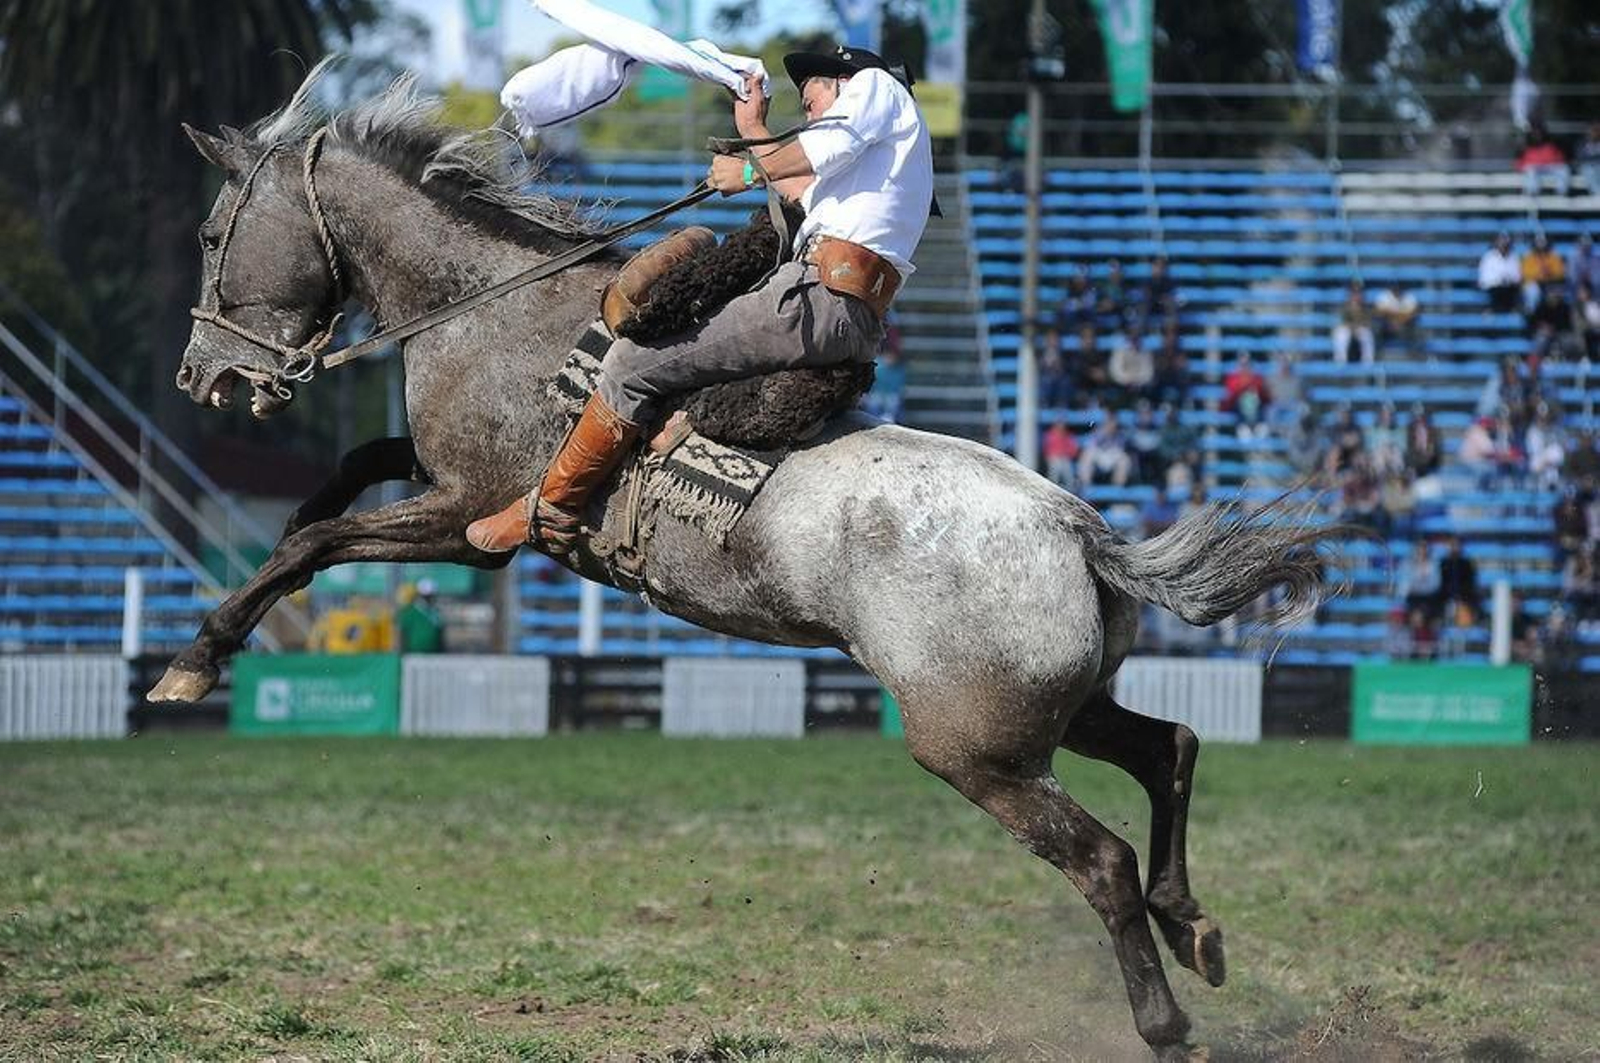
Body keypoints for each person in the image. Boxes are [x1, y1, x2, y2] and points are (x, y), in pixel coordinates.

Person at [467, 46, 934, 553]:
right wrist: (752, 128)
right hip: (841, 305)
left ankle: (551, 510)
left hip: (815, 297)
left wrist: (752, 172)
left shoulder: (876, 87)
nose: (808, 112)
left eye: (810, 98)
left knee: (632, 361)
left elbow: (815, 152)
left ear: (844, 79)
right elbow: (802, 187)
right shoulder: (873, 169)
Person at [1435, 535, 1481, 625]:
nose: (1454, 547)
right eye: (1452, 545)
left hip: (1464, 597)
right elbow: (1441, 583)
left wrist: (1460, 597)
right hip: (1446, 597)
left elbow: (1470, 583)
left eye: (1456, 545)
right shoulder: (1443, 563)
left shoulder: (1466, 563)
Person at [1077, 412, 1133, 487]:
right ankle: (1086, 485)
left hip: (1112, 456)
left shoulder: (1120, 434)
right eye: (1109, 422)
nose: (1111, 425)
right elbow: (1088, 445)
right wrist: (1103, 435)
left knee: (1124, 459)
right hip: (1099, 456)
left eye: (1113, 422)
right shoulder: (1098, 432)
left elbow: (1121, 448)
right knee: (1087, 454)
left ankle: (1118, 487)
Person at [1221, 355, 1270, 437]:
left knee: (1252, 398)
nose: (1245, 367)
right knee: (1245, 400)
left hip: (1255, 406)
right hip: (1237, 407)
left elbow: (1263, 395)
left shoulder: (1256, 378)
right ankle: (1243, 426)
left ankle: (1258, 425)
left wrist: (1252, 389)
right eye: (1242, 364)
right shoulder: (1233, 378)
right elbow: (1230, 397)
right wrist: (1242, 388)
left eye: (1247, 364)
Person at [1515, 125, 1570, 199]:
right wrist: (1525, 167)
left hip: (1550, 169)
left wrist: (1554, 161)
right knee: (1530, 170)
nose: (1537, 136)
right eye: (1535, 134)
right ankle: (1532, 193)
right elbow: (1520, 165)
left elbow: (1561, 159)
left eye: (1539, 134)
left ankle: (1562, 193)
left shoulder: (1550, 146)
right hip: (1535, 171)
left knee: (1564, 168)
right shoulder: (1526, 148)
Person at [1520, 232, 1566, 316]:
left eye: (1543, 243)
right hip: (1533, 283)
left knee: (1556, 293)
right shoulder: (1529, 257)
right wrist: (1539, 273)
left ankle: (1553, 319)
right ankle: (1532, 316)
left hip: (1550, 283)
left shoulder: (1553, 256)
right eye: (1538, 243)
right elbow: (1525, 274)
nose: (1541, 246)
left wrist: (1550, 272)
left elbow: (1560, 273)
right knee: (1532, 291)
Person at [1331, 280, 1376, 364]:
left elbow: (1368, 322)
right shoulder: (1345, 306)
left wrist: (1357, 326)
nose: (1356, 295)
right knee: (1341, 333)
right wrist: (1352, 327)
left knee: (1366, 334)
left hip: (1360, 329)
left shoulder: (1366, 307)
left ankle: (1368, 363)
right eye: (1354, 293)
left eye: (1358, 293)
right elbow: (1342, 321)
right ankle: (1340, 362)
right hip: (1348, 329)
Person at [395, 579, 445, 653]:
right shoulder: (408, 612)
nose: (429, 599)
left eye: (431, 596)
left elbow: (441, 634)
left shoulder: (436, 613)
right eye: (426, 596)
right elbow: (401, 634)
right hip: (413, 655)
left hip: (434, 654)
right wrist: (400, 652)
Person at [1478, 232, 1521, 314]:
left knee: (1513, 290)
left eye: (1505, 242)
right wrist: (1499, 280)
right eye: (1501, 242)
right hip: (1493, 286)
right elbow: (1484, 277)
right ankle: (1494, 311)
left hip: (1509, 287)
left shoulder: (1514, 257)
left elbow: (1517, 276)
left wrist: (1508, 280)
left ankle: (1510, 312)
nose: (1503, 244)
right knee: (1499, 290)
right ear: (1496, 243)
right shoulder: (1489, 257)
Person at [1373, 284, 1421, 352]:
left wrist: (1398, 321)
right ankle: (1377, 352)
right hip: (1387, 326)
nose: (1397, 292)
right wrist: (1394, 318)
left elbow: (1414, 313)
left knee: (1417, 331)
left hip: (1404, 326)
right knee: (1376, 326)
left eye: (1399, 291)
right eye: (1395, 290)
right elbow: (1378, 313)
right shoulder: (1384, 296)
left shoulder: (1409, 297)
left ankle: (1415, 353)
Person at [1042, 419, 1079, 488]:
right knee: (1055, 466)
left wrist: (1065, 453)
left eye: (1062, 425)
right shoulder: (1049, 436)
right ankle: (1052, 487)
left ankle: (1070, 489)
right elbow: (1046, 451)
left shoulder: (1069, 436)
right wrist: (1056, 453)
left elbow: (1074, 451)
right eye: (1059, 425)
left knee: (1067, 468)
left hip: (1065, 458)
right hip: (1054, 458)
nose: (1060, 427)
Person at [1576, 124, 1600, 197]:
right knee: (1591, 172)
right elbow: (1580, 157)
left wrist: (1593, 157)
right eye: (1592, 132)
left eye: (1596, 132)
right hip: (1587, 166)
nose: (1594, 134)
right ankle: (1598, 194)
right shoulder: (1582, 143)